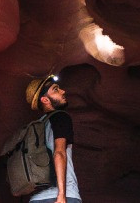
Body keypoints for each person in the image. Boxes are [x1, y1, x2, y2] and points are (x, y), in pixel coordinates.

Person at [24, 74, 81, 203]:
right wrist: (61, 195)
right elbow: (59, 153)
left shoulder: (37, 125)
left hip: (35, 198)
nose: (63, 91)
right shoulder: (61, 117)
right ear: (45, 100)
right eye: (56, 89)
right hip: (62, 195)